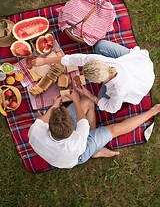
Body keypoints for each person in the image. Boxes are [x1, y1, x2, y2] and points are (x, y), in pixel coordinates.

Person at [28, 89, 160, 169]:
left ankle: (96, 146)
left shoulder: (35, 130)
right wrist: (75, 100)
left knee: (86, 101)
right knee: (115, 129)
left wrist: (55, 106)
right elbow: (82, 120)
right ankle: (153, 112)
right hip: (78, 155)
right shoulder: (78, 142)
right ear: (73, 128)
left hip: (59, 150)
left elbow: (46, 117)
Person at [32, 40, 155, 113]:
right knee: (101, 45)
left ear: (100, 81)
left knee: (100, 99)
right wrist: (44, 62)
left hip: (142, 81)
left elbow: (112, 108)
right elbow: (73, 59)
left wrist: (88, 95)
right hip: (135, 65)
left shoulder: (118, 90)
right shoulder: (97, 60)